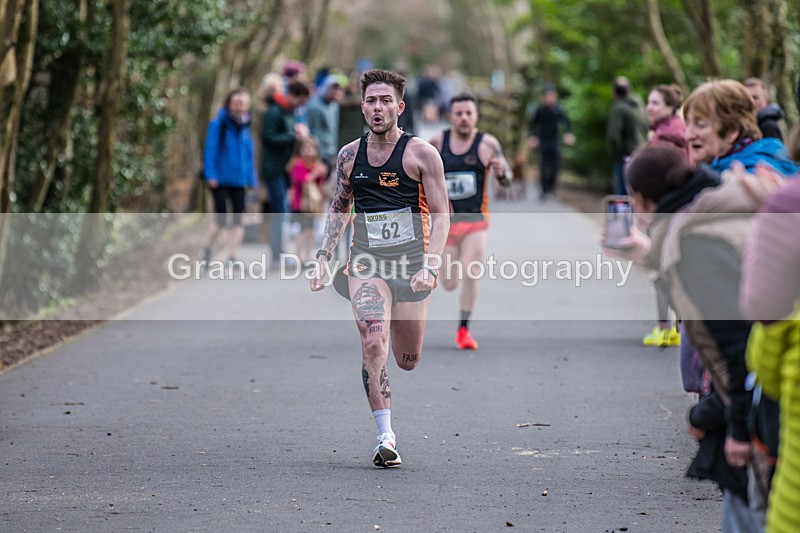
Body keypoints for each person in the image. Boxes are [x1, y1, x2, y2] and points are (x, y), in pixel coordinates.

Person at [606, 145, 763, 532]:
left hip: (766, 403)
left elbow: (738, 348)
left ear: (641, 199)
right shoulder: (723, 204)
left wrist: (735, 428)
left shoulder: (695, 243)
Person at [310, 69, 449, 468]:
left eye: (385, 100)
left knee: (407, 359)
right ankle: (385, 436)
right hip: (365, 265)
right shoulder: (349, 156)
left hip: (411, 268)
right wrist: (322, 259)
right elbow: (338, 208)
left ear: (400, 107)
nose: (377, 107)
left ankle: (396, 334)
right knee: (374, 342)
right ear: (362, 106)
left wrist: (431, 265)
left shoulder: (422, 154)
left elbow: (442, 217)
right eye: (370, 100)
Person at [429, 92, 512, 350]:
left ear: (476, 116)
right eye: (459, 113)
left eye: (469, 113)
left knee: (470, 272)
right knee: (450, 282)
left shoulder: (487, 144)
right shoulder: (437, 143)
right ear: (451, 116)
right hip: (447, 224)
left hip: (476, 219)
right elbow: (422, 178)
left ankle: (463, 331)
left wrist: (502, 174)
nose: (464, 118)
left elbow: (507, 176)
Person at [641, 83, 687, 347]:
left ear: (670, 108)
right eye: (648, 102)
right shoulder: (675, 132)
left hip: (664, 211)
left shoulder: (665, 139)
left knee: (660, 271)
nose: (649, 107)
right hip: (675, 210)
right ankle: (675, 328)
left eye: (656, 103)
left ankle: (665, 329)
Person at [683, 79, 797, 176]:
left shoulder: (749, 179)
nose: (688, 135)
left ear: (731, 131)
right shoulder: (722, 167)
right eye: (687, 123)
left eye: (701, 125)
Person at [201, 88, 257, 272]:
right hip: (220, 179)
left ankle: (232, 256)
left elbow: (249, 154)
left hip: (239, 180)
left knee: (238, 220)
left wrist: (251, 179)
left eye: (243, 103)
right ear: (229, 104)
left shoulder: (246, 125)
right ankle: (207, 249)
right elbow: (210, 150)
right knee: (220, 220)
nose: (240, 107)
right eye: (236, 103)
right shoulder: (218, 123)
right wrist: (211, 175)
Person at [260, 80, 310, 268]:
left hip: (283, 169)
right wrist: (293, 136)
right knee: (279, 211)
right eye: (301, 100)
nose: (301, 105)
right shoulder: (275, 111)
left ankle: (279, 252)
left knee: (282, 211)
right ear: (293, 96)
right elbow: (268, 136)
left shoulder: (288, 112)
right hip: (274, 169)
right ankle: (276, 254)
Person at [527, 85, 574, 201]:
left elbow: (566, 122)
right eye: (548, 96)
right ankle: (543, 190)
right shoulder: (539, 110)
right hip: (543, 141)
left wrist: (568, 134)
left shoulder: (558, 109)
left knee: (556, 166)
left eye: (552, 96)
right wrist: (532, 137)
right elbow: (532, 125)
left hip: (554, 141)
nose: (550, 98)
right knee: (543, 166)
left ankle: (551, 188)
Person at [288, 136, 327, 265]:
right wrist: (316, 173)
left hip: (312, 205)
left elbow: (320, 186)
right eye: (305, 148)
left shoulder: (316, 165)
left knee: (310, 231)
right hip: (300, 204)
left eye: (311, 148)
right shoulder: (298, 164)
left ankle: (308, 256)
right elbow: (302, 181)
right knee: (301, 230)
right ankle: (298, 257)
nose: (308, 151)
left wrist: (321, 174)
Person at [607, 76, 649, 194]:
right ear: (629, 90)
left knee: (621, 195)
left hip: (625, 156)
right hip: (641, 153)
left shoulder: (618, 108)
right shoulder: (640, 104)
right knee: (635, 193)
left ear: (614, 92)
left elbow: (614, 137)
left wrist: (617, 155)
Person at [306, 74, 344, 170]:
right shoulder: (315, 106)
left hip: (331, 152)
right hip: (319, 154)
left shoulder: (334, 105)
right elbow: (313, 132)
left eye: (338, 89)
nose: (336, 92)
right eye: (333, 89)